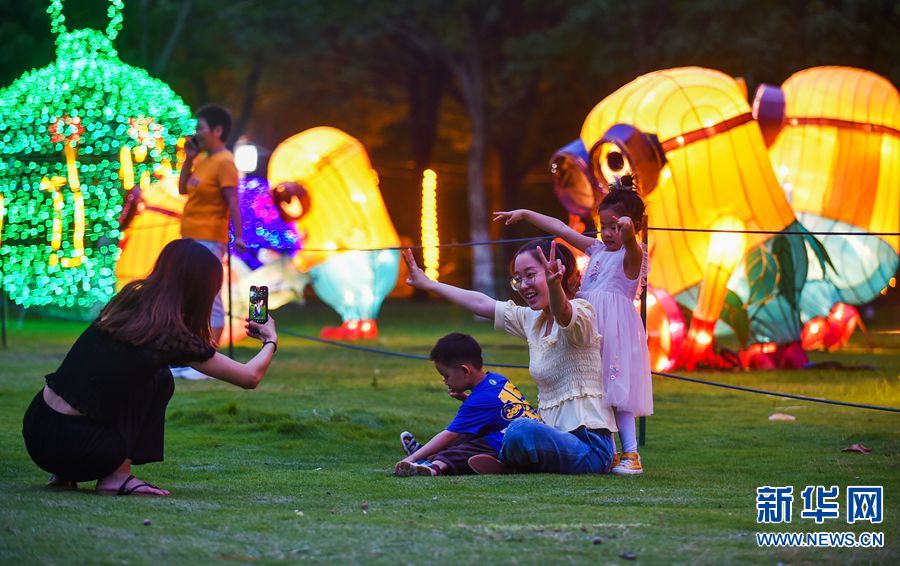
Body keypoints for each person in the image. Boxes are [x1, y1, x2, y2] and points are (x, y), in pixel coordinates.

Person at [21, 239, 278, 496]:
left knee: (139, 373)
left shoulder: (128, 300)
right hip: (81, 448)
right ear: (202, 289)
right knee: (159, 379)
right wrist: (270, 339)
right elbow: (249, 376)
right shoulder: (170, 334)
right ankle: (116, 477)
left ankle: (63, 475)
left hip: (37, 430)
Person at [403, 241, 617, 475]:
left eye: (530, 275)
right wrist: (428, 284)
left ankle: (503, 461)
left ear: (556, 271)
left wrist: (555, 286)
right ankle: (439, 459)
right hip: (548, 439)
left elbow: (564, 315)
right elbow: (481, 303)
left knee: (519, 429)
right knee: (498, 425)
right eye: (518, 279)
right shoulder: (532, 320)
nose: (524, 285)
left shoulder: (582, 312)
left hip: (590, 448)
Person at [493, 176, 653, 475]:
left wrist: (629, 232)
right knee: (598, 388)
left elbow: (631, 245)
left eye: (614, 227)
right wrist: (527, 214)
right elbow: (562, 229)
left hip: (614, 328)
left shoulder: (632, 256)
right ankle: (605, 447)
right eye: (603, 226)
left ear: (631, 226)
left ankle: (630, 453)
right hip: (585, 323)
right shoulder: (596, 250)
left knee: (618, 389)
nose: (607, 233)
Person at [394, 333, 540, 477]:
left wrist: (409, 459)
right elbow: (498, 410)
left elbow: (449, 435)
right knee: (471, 433)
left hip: (511, 444)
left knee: (466, 445)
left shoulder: (477, 402)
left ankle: (433, 466)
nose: (445, 381)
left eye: (446, 376)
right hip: (534, 438)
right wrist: (466, 398)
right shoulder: (497, 380)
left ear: (465, 370)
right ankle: (426, 454)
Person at [178, 104, 246, 347]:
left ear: (217, 130)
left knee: (210, 297)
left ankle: (210, 357)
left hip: (209, 239)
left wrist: (239, 236)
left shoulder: (225, 162)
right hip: (191, 237)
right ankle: (193, 355)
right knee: (192, 297)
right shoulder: (205, 160)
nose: (196, 132)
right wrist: (189, 159)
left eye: (201, 127)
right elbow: (183, 189)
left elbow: (233, 201)